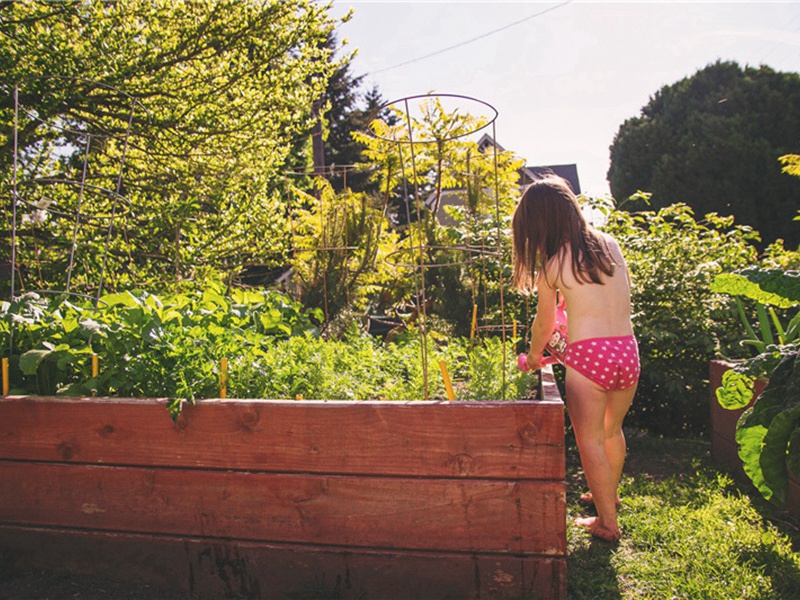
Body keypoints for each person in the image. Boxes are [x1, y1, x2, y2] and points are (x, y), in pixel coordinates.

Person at [511, 175, 639, 542]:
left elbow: (544, 324)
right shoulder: (610, 246)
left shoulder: (553, 267)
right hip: (627, 351)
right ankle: (607, 495)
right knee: (612, 431)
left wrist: (536, 355)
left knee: (590, 441)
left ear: (540, 225)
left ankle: (608, 523)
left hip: (589, 358)